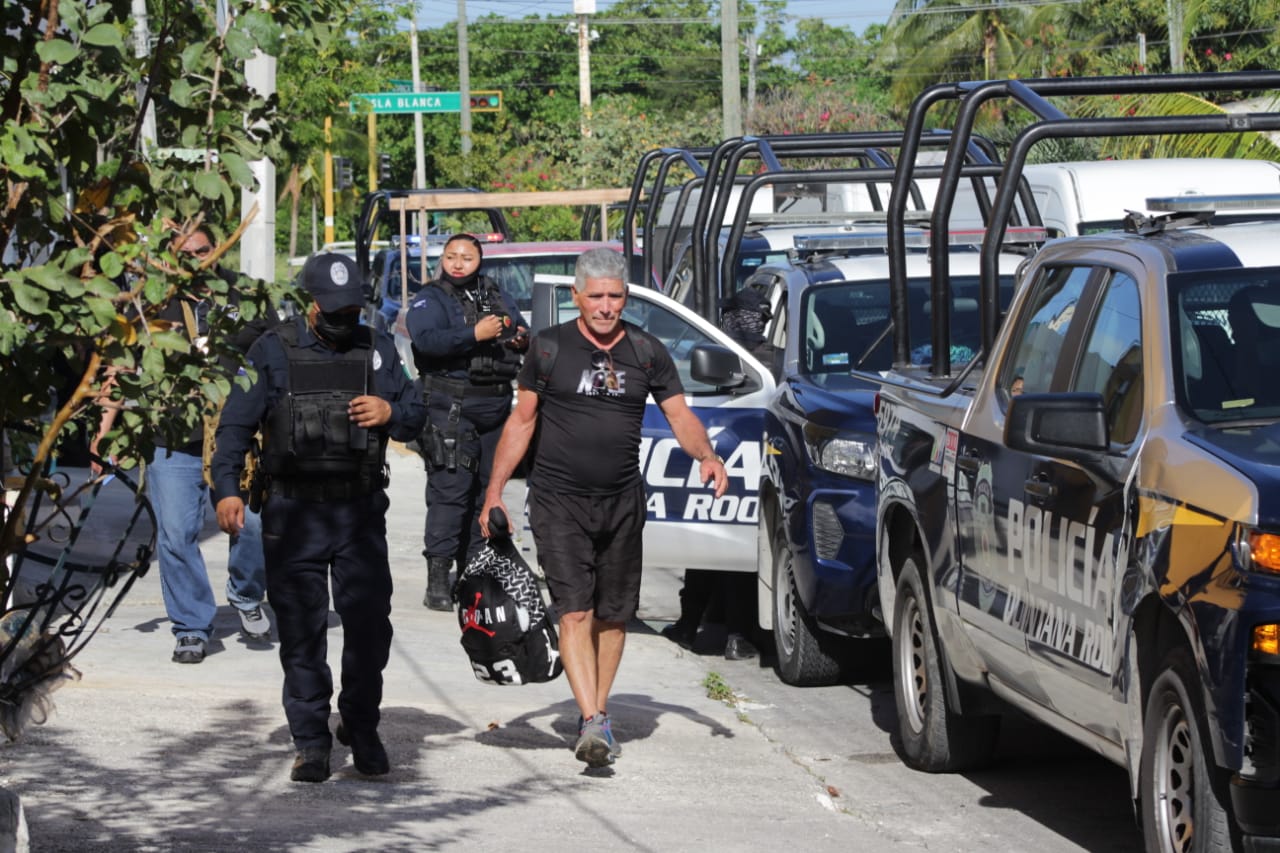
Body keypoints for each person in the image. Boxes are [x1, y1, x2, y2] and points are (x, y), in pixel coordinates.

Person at [480, 247, 728, 768]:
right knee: (575, 610)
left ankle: (598, 711)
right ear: (577, 296)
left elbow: (679, 414)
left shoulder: (646, 350)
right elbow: (521, 422)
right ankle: (592, 718)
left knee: (615, 617)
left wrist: (706, 455)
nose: (606, 306)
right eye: (596, 296)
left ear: (626, 297)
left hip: (621, 501)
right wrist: (495, 490)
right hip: (557, 500)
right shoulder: (548, 349)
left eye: (615, 296)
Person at [210, 252, 426, 783]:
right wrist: (226, 490)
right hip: (292, 512)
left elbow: (417, 411)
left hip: (358, 512)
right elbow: (235, 425)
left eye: (351, 308)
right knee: (303, 633)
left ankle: (361, 725)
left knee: (370, 628)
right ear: (311, 304)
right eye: (333, 309)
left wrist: (390, 413)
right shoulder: (272, 349)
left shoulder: (376, 347)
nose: (342, 317)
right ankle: (311, 741)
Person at [92, 224, 273, 665]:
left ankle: (245, 593)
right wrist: (102, 435)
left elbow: (277, 359)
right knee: (176, 536)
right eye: (185, 253)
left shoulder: (245, 298)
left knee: (252, 528)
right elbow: (120, 370)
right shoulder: (151, 302)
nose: (196, 259)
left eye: (204, 250)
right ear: (170, 258)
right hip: (171, 439)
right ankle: (191, 626)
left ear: (219, 249)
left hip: (236, 440)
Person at [405, 234, 527, 611]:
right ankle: (438, 582)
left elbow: (520, 328)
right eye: (451, 256)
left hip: (495, 408)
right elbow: (426, 341)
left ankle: (473, 574)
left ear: (480, 260)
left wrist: (519, 338)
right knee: (450, 493)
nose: (458, 264)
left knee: (486, 494)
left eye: (467, 257)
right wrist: (474, 334)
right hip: (451, 408)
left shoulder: (493, 293)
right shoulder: (431, 297)